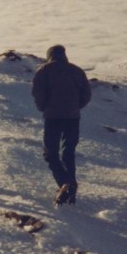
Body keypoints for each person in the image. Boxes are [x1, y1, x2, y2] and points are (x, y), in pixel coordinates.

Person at [31, 44, 92, 206]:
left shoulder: (44, 70)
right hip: (73, 118)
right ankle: (70, 191)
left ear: (49, 55)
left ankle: (65, 184)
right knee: (68, 153)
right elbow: (87, 94)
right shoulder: (77, 71)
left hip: (53, 117)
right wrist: (75, 107)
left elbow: (38, 93)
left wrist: (44, 107)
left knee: (50, 154)